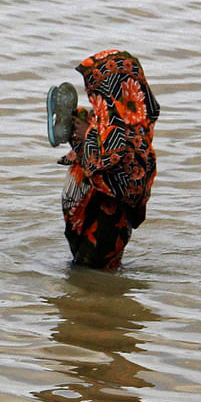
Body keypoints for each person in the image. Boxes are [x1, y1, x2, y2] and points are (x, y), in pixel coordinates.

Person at [59, 49, 159, 270]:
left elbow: (115, 173)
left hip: (108, 222)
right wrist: (83, 133)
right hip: (91, 217)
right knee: (86, 271)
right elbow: (93, 155)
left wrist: (88, 135)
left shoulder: (128, 133)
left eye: (96, 91)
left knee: (91, 269)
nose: (93, 96)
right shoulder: (109, 123)